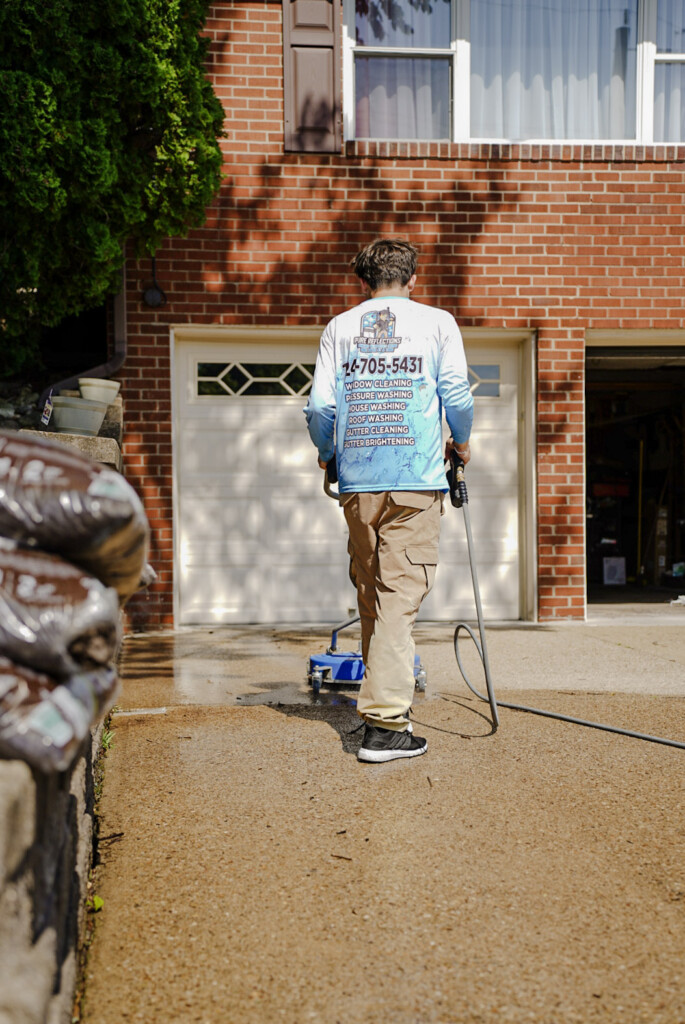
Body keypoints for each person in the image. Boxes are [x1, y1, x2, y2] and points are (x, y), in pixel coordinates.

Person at [304, 239, 473, 763]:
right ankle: (385, 725)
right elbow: (457, 394)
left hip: (358, 481)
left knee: (374, 594)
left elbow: (320, 408)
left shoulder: (339, 327)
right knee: (399, 596)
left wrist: (329, 453)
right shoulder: (437, 323)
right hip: (415, 480)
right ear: (412, 279)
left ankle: (381, 704)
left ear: (363, 282)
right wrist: (462, 441)